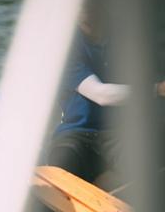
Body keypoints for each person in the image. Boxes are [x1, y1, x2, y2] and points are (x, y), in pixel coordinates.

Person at [47, 11, 165, 183]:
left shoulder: (125, 35)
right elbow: (100, 94)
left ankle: (107, 183)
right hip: (77, 135)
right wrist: (156, 89)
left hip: (120, 133)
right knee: (62, 163)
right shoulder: (64, 46)